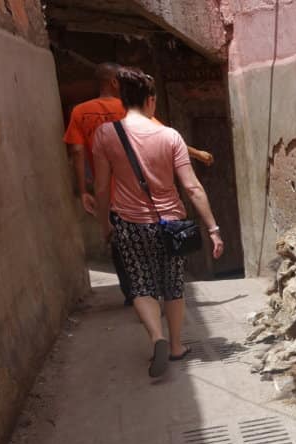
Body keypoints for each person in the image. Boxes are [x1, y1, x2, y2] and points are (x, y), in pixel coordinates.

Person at [91, 67, 225, 378]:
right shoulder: (170, 136)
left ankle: (156, 337)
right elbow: (192, 186)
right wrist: (213, 228)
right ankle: (177, 346)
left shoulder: (106, 134)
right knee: (173, 286)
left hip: (129, 223)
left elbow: (100, 187)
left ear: (123, 100)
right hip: (171, 224)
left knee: (141, 285)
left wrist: (104, 224)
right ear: (151, 101)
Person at [64, 63, 216, 304]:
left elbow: (77, 152)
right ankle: (164, 293)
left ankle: (134, 294)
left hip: (115, 199)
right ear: (115, 83)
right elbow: (165, 135)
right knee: (161, 247)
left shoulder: (80, 112)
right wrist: (197, 153)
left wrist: (84, 190)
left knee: (123, 249)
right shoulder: (130, 109)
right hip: (149, 196)